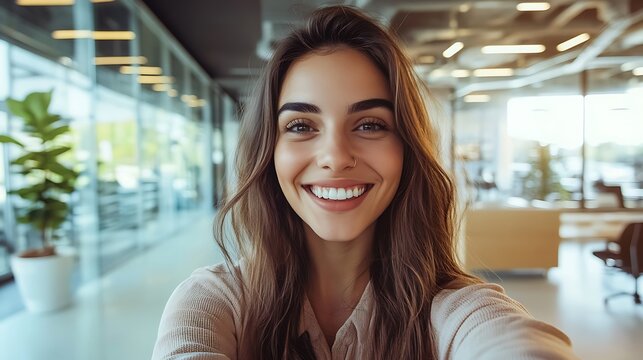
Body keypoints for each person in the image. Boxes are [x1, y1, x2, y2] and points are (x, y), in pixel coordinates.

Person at [152, 5, 577, 360]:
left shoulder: (457, 310)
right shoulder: (214, 303)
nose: (335, 157)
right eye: (301, 125)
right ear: (269, 153)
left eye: (371, 124)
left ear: (407, 149)